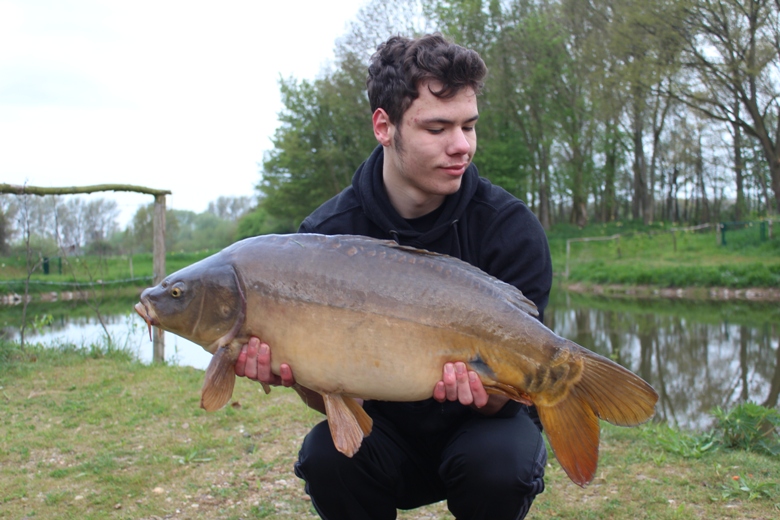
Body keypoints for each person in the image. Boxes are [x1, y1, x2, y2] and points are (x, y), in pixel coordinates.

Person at [234, 33, 552, 520]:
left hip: (484, 431)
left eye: (469, 126)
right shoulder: (322, 239)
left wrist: (486, 391)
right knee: (326, 457)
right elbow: (331, 396)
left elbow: (516, 396)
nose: (462, 146)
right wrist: (293, 372)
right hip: (385, 432)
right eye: (438, 128)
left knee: (499, 463)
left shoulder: (509, 230)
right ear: (384, 126)